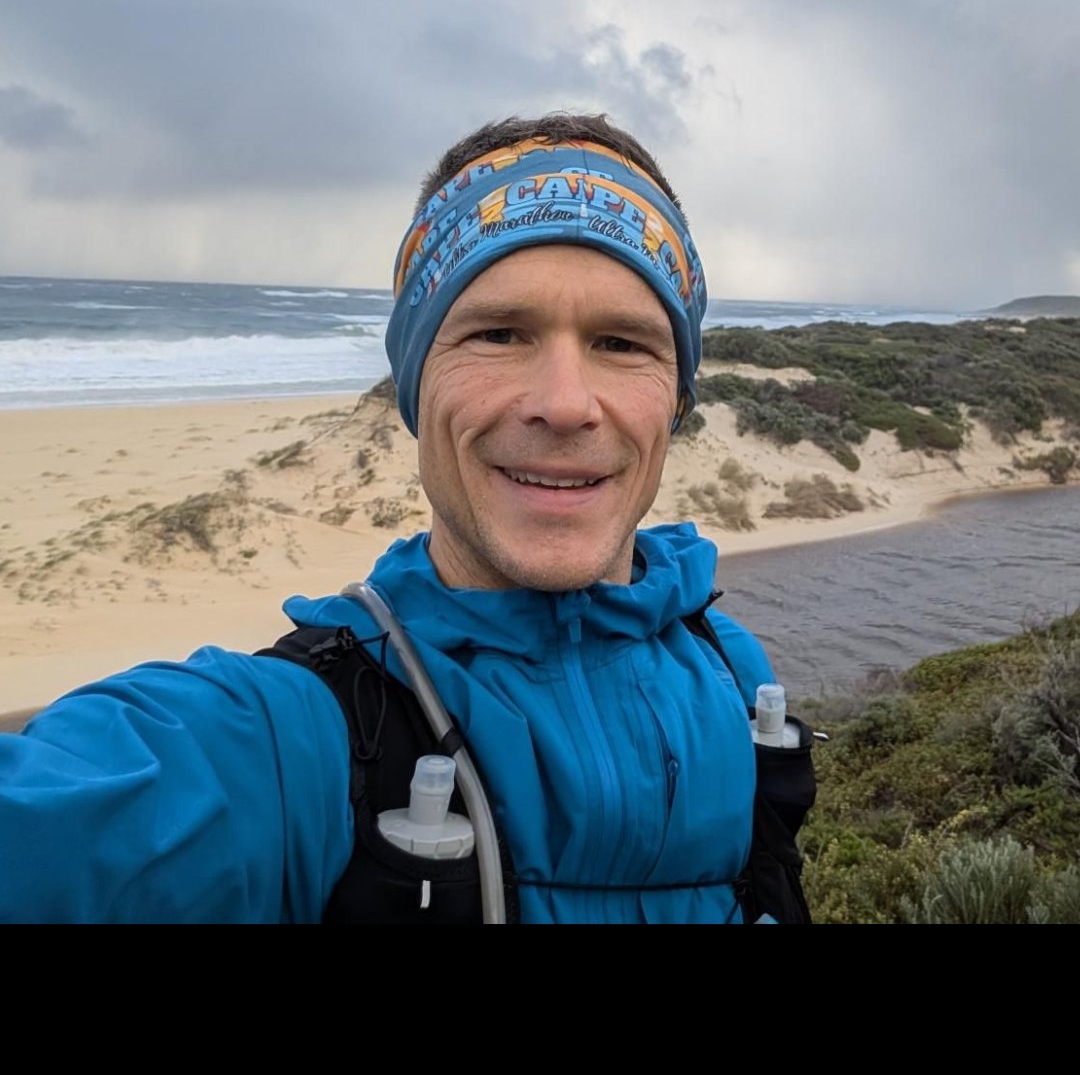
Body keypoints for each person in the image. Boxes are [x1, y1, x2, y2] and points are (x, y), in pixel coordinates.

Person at [0, 111, 788, 923]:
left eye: (622, 343)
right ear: (417, 384)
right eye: (499, 332)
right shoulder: (294, 738)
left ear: (679, 396)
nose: (563, 404)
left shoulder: (729, 667)